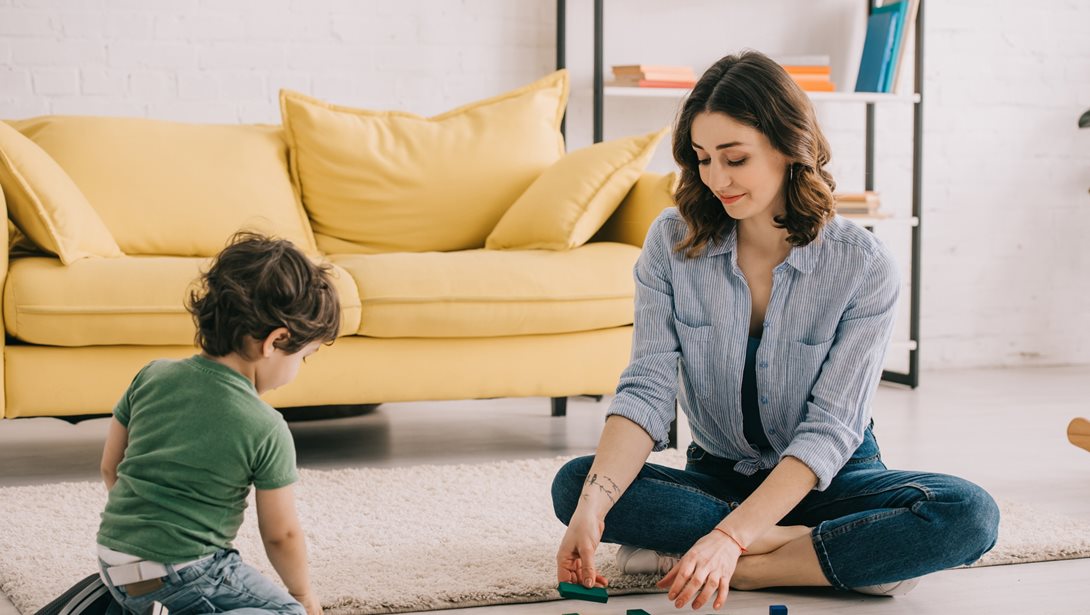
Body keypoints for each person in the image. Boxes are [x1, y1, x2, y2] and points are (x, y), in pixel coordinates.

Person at [551, 50, 1000, 611]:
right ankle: (827, 559)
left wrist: (727, 538)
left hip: (830, 482)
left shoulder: (862, 264)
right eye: (702, 158)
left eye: (735, 158)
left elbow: (830, 431)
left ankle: (742, 569)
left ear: (790, 147)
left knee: (967, 514)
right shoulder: (671, 241)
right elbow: (646, 389)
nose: (716, 178)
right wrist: (593, 509)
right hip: (719, 475)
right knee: (575, 487)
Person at [96, 232, 341, 615]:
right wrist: (303, 594)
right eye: (303, 356)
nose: (299, 368)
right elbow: (281, 534)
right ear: (276, 341)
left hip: (112, 565)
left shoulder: (152, 376)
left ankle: (135, 606)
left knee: (168, 587)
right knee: (286, 613)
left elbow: (111, 467)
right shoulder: (266, 426)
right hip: (187, 573)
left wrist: (146, 534)